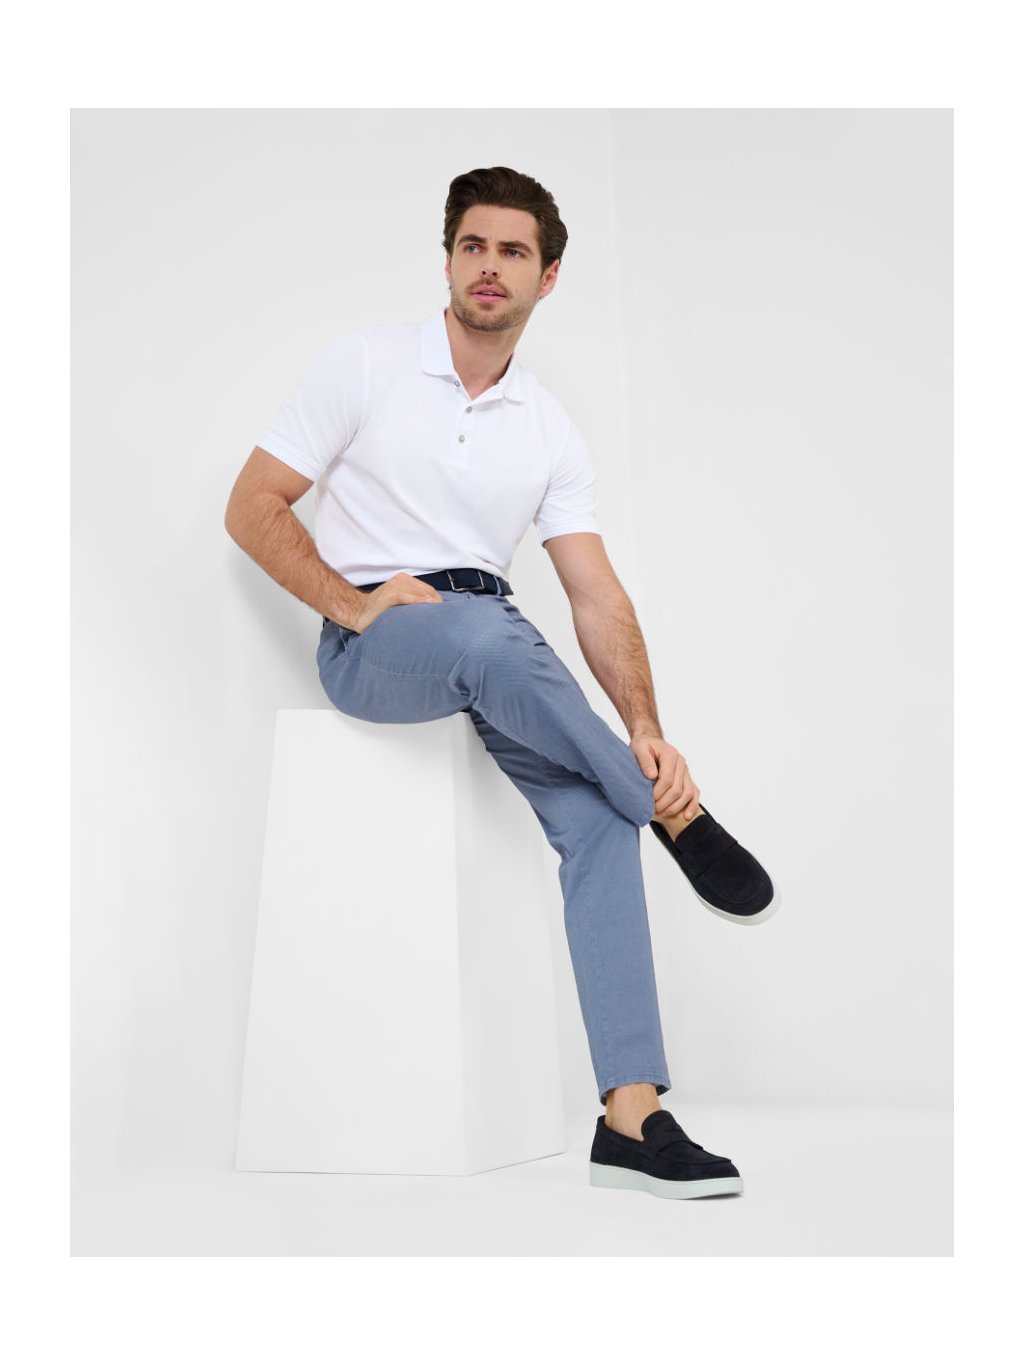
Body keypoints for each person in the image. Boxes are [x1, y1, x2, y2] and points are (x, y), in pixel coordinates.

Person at [225, 166, 774, 1200]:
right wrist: (352, 604)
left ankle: (631, 1114)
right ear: (447, 260)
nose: (489, 266)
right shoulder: (367, 365)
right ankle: (674, 815)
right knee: (485, 632)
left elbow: (594, 593)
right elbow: (251, 505)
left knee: (594, 822)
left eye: (512, 251)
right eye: (472, 245)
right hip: (376, 650)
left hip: (496, 650)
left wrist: (647, 726)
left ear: (546, 277)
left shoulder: (548, 427)